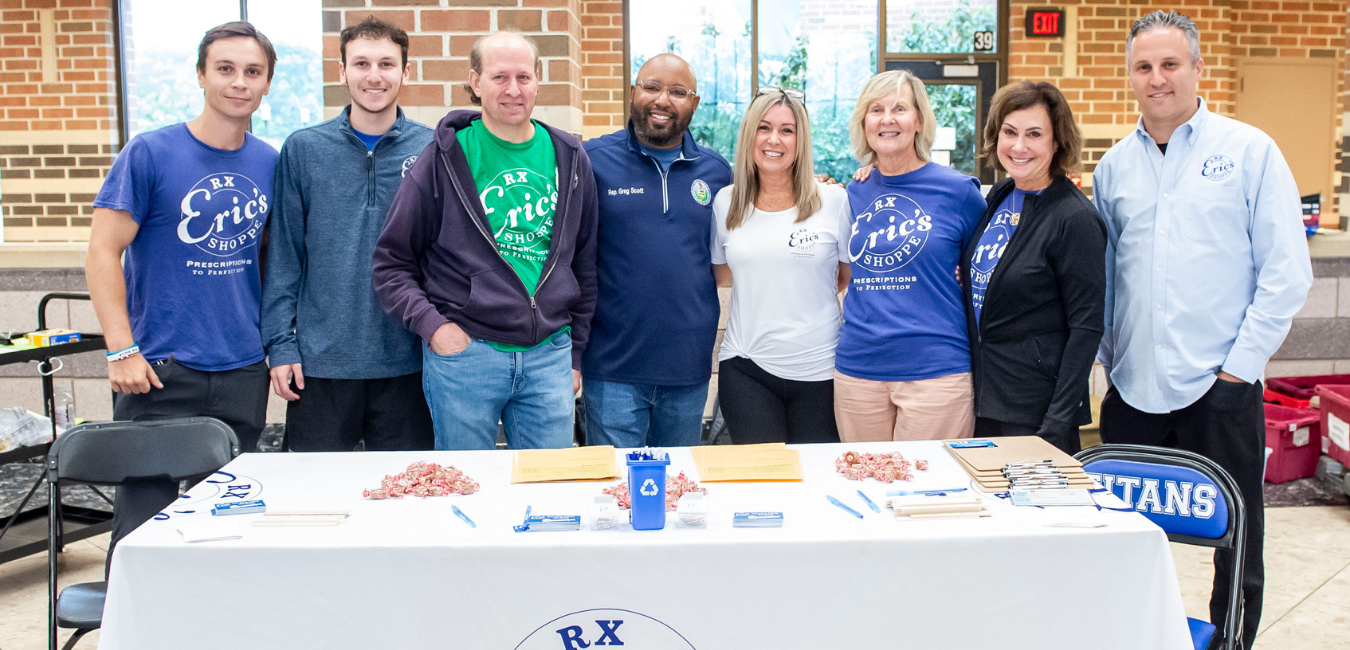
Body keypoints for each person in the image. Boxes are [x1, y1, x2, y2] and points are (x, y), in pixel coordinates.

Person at [1093, 11, 1313, 648]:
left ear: (1197, 68)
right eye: (1143, 67)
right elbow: (1105, 279)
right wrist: (1110, 361)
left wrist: (1237, 372)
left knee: (1236, 544)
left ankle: (1233, 642)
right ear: (1130, 75)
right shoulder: (1114, 168)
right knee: (1122, 539)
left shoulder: (1249, 152)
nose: (1157, 78)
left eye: (1170, 64)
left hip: (1220, 390)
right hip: (1133, 392)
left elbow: (1286, 274)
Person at [86, 22, 278, 558]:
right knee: (142, 532)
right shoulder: (149, 153)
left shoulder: (270, 162)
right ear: (200, 75)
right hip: (158, 370)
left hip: (242, 369)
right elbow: (102, 251)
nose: (239, 82)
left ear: (267, 84)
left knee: (228, 529)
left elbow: (268, 259)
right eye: (225, 69)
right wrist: (121, 350)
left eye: (253, 72)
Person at [372, 30, 599, 451]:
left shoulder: (570, 157)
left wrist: (574, 354)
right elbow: (391, 263)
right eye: (499, 77)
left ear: (537, 80)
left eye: (523, 77)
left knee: (549, 485)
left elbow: (583, 263)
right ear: (475, 82)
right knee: (465, 484)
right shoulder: (442, 159)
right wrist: (435, 328)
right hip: (467, 357)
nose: (513, 90)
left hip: (548, 356)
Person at [261, 17, 434, 452]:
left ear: (406, 72)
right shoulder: (303, 149)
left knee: (405, 490)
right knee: (316, 490)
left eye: (386, 64)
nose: (374, 76)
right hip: (320, 366)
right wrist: (281, 345)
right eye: (361, 63)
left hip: (409, 362)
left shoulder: (433, 150)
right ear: (342, 72)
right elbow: (284, 257)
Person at [581, 54, 732, 448]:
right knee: (614, 481)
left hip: (688, 368)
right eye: (652, 87)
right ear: (634, 92)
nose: (662, 100)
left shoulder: (718, 173)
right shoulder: (592, 160)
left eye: (678, 92)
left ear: (694, 103)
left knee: (680, 482)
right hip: (611, 369)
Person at [835, 70, 986, 441]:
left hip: (937, 372)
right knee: (863, 475)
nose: (887, 119)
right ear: (864, 122)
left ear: (919, 120)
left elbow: (987, 269)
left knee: (931, 478)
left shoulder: (959, 192)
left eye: (899, 109)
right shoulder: (852, 192)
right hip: (858, 370)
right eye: (876, 110)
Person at [958, 81, 1105, 455]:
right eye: (1009, 132)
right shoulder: (1002, 194)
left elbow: (1087, 327)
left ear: (1057, 142)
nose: (1019, 146)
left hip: (1036, 413)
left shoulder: (1074, 219)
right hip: (984, 397)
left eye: (1034, 134)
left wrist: (1056, 422)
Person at [711, 88, 852, 444]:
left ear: (801, 141)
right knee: (764, 474)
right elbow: (721, 274)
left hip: (822, 370)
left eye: (787, 130)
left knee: (817, 473)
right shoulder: (726, 203)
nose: (774, 139)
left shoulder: (834, 200)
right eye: (764, 127)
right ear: (749, 134)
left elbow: (843, 277)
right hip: (746, 367)